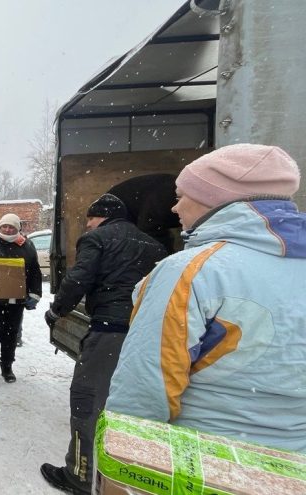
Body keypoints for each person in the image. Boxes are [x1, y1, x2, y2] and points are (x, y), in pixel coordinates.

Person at [106, 144, 306, 454]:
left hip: (206, 462)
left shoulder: (191, 271)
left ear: (211, 200)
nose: (175, 208)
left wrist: (125, 463)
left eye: (181, 196)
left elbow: (146, 388)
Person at [40, 193, 166, 495]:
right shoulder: (155, 245)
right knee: (128, 404)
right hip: (145, 333)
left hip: (110, 331)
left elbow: (78, 278)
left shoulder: (97, 238)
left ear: (102, 217)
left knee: (87, 400)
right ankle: (129, 474)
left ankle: (79, 475)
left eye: (90, 220)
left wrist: (57, 310)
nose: (87, 225)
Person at [0, 214, 42, 385]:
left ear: (18, 228)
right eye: (4, 226)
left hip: (16, 301)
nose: (8, 230)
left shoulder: (27, 246)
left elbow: (35, 272)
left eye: (12, 227)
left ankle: (7, 367)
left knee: (11, 335)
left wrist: (34, 294)